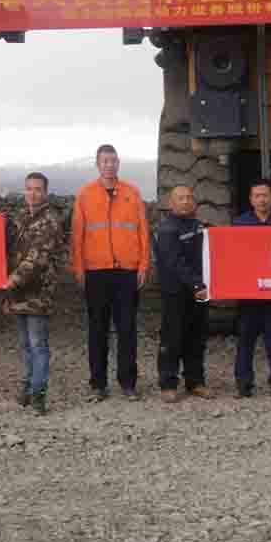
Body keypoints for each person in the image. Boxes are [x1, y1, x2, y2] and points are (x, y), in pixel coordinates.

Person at [71, 144, 150, 402]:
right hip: (96, 272)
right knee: (97, 330)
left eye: (113, 160)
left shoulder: (132, 193)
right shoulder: (85, 195)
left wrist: (143, 265)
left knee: (127, 329)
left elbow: (143, 232)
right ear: (97, 164)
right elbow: (77, 236)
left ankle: (128, 383)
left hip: (126, 271)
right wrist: (79, 268)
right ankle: (98, 384)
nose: (109, 165)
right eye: (104, 161)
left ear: (118, 163)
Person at [3, 171, 63, 415]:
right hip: (18, 294)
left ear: (45, 192)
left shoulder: (50, 221)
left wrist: (13, 279)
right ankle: (28, 388)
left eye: (38, 189)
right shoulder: (19, 218)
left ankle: (38, 394)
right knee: (26, 344)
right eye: (29, 188)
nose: (33, 193)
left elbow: (38, 258)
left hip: (38, 293)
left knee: (38, 345)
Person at [231, 181, 271, 399]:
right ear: (251, 200)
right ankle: (243, 385)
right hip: (249, 295)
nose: (262, 200)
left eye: (265, 195)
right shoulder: (239, 225)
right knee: (245, 342)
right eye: (257, 196)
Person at [154, 184, 211, 402]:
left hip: (198, 292)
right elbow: (175, 263)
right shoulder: (167, 229)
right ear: (171, 203)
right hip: (176, 292)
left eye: (189, 197)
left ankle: (195, 382)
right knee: (172, 338)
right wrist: (197, 285)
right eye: (181, 198)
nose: (186, 201)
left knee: (196, 338)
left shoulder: (199, 226)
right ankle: (168, 384)